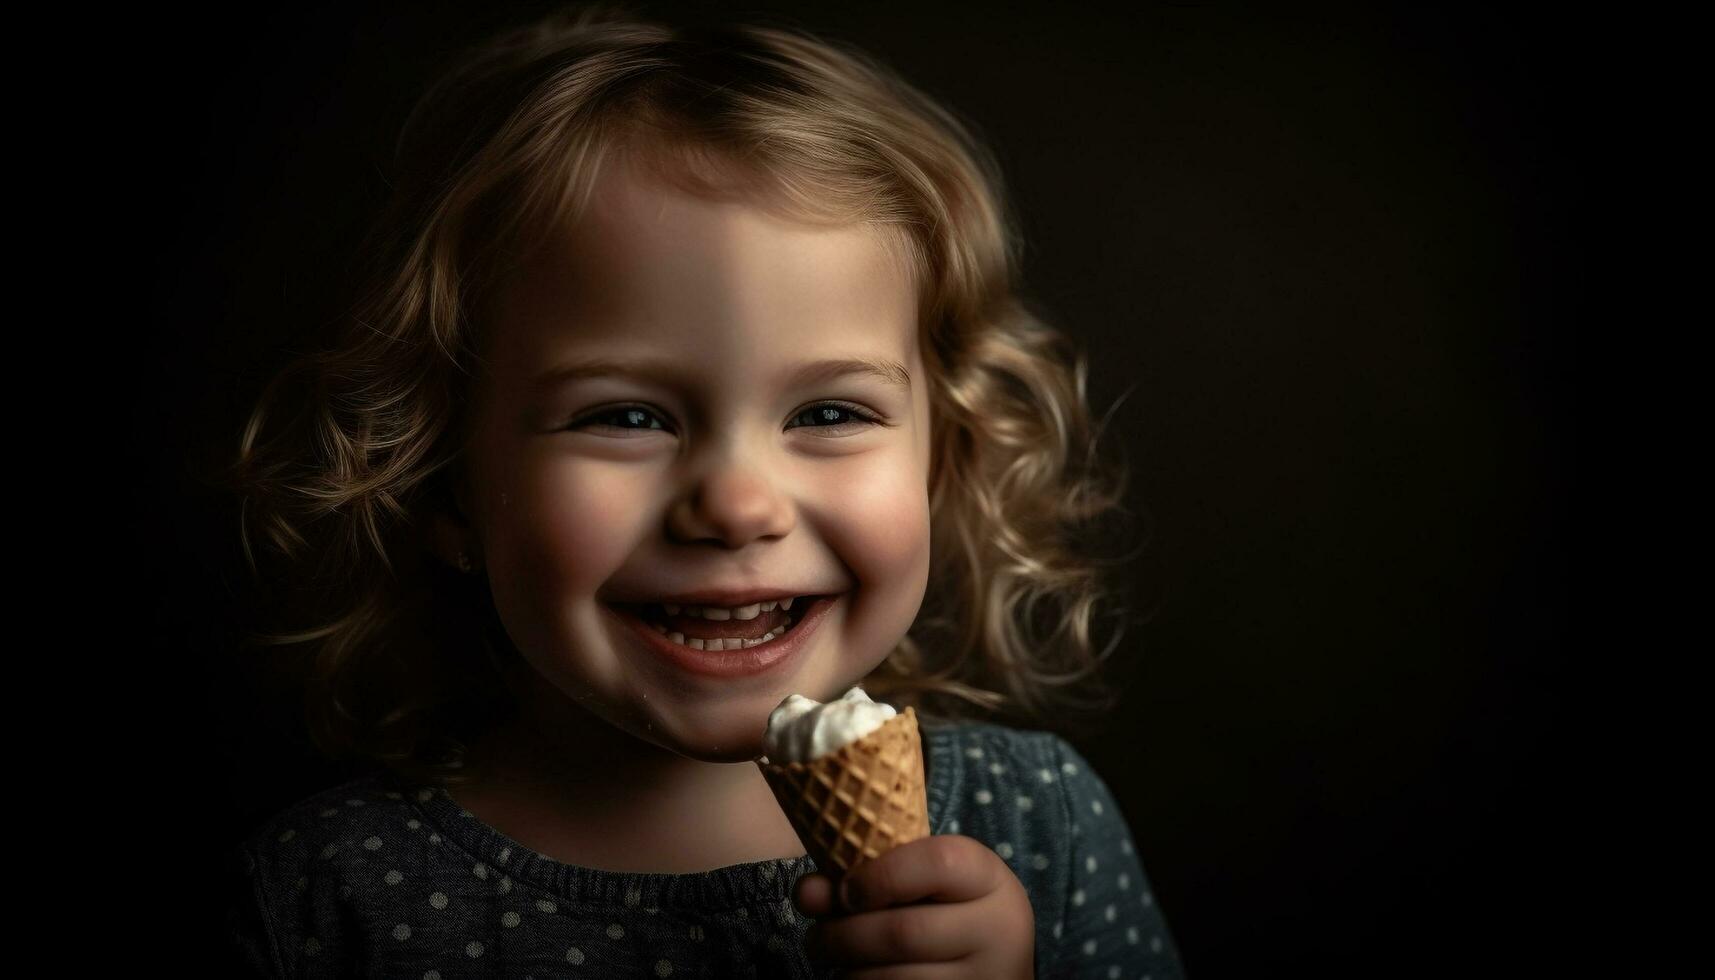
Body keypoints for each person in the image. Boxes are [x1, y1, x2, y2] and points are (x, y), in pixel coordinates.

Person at [223, 3, 1185, 977]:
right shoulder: (330, 895)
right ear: (444, 485)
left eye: (827, 414)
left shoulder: (1036, 823)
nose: (735, 504)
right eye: (627, 417)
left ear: (942, 460)